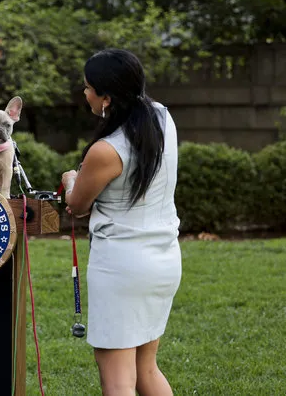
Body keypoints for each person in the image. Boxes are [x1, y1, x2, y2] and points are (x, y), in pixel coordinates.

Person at [61, 48, 181, 396]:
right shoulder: (162, 118)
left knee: (117, 382)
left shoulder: (105, 150)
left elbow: (77, 205)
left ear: (107, 97)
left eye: (87, 88)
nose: (84, 94)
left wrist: (72, 178)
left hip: (122, 269)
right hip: (164, 260)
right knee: (146, 369)